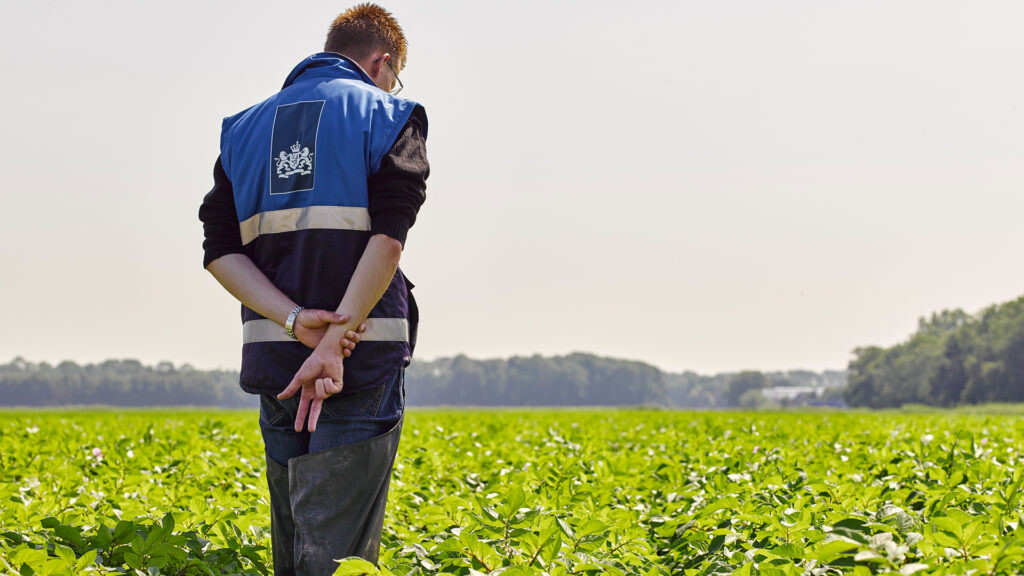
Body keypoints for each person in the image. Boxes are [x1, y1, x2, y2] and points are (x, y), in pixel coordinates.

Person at [198, 4, 428, 574]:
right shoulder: (390, 113)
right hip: (361, 362)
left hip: (277, 360)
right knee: (338, 558)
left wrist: (296, 319)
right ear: (383, 62)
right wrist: (333, 343)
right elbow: (390, 238)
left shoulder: (244, 129)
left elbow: (219, 252)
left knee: (293, 548)